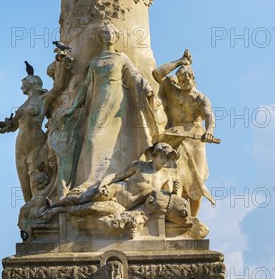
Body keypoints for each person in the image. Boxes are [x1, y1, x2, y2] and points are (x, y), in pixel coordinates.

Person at [65, 23, 159, 191]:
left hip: (116, 102)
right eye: (105, 34)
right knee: (92, 139)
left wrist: (145, 87)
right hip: (97, 101)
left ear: (115, 37)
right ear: (101, 38)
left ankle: (111, 177)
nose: (108, 36)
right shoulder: (95, 61)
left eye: (111, 33)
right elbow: (86, 86)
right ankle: (89, 179)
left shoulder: (121, 57)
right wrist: (73, 108)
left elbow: (134, 74)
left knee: (114, 138)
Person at [152, 50, 215, 215]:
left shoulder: (200, 98)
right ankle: (176, 213)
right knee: (175, 179)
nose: (184, 82)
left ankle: (193, 219)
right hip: (175, 138)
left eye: (187, 79)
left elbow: (209, 116)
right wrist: (179, 61)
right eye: (181, 80)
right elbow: (157, 73)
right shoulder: (173, 91)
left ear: (193, 79)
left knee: (197, 181)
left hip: (195, 140)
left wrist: (209, 131)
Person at [44, 143, 180, 215]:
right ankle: (55, 205)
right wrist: (102, 185)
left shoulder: (167, 176)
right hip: (116, 190)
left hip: (126, 205)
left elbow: (167, 198)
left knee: (88, 209)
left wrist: (174, 192)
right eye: (163, 156)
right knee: (82, 199)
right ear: (155, 155)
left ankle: (59, 210)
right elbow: (117, 175)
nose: (166, 161)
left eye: (168, 158)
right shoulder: (139, 165)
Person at [4, 74, 48, 202]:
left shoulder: (44, 98)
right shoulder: (24, 104)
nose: (21, 86)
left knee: (36, 178)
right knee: (23, 181)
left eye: (24, 83)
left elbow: (60, 87)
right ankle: (28, 207)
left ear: (33, 84)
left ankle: (39, 205)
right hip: (20, 145)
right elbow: (12, 127)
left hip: (36, 142)